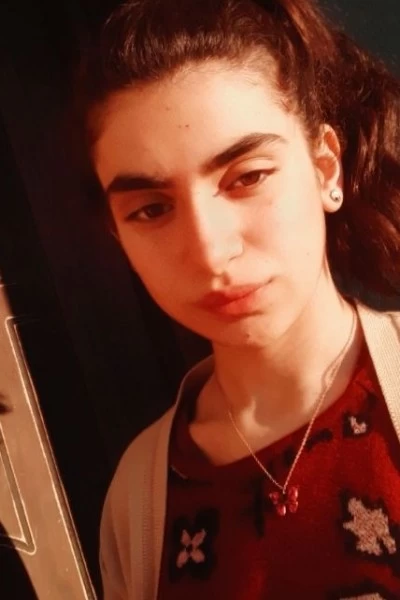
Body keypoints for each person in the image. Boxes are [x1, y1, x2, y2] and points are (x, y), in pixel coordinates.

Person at [75, 0, 400, 597]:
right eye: (151, 209)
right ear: (117, 234)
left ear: (325, 168)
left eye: (247, 177)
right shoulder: (138, 501)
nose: (209, 252)